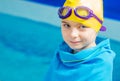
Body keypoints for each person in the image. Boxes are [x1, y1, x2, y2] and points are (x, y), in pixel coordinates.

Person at [44, 0, 115, 81]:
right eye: (67, 25)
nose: (72, 34)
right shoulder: (62, 51)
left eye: (83, 26)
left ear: (97, 27)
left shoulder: (100, 64)